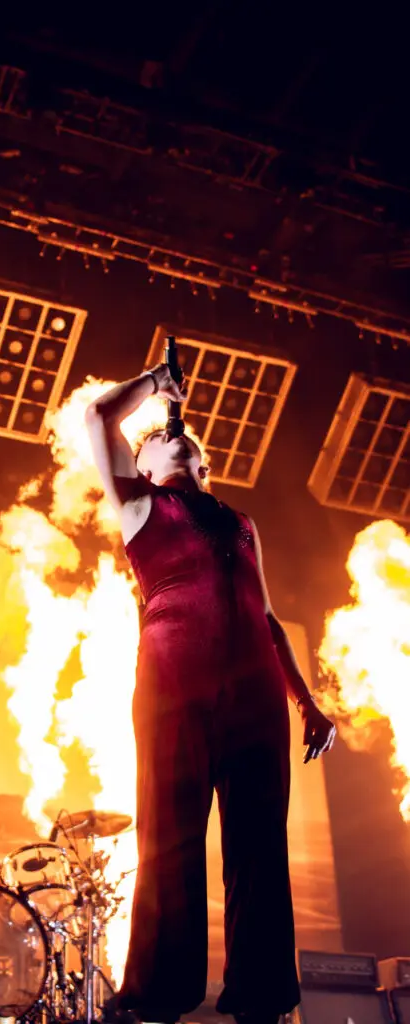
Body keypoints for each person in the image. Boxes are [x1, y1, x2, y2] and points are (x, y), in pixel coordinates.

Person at [85, 363, 336, 1024]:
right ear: (142, 464)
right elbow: (98, 416)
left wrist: (306, 702)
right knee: (170, 842)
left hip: (256, 693)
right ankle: (158, 997)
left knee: (260, 845)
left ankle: (261, 998)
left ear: (204, 462)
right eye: (155, 438)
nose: (170, 436)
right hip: (173, 689)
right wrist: (154, 383)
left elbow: (267, 617)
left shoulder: (243, 522)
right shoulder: (140, 506)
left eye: (178, 435)